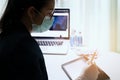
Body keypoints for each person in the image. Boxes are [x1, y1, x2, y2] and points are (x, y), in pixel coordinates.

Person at [0, 0, 55, 80]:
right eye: (49, 14)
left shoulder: (5, 36)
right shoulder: (26, 48)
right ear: (32, 12)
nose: (51, 19)